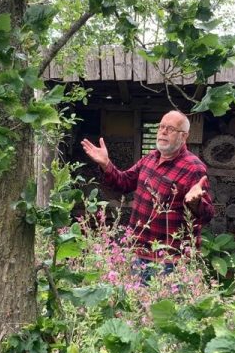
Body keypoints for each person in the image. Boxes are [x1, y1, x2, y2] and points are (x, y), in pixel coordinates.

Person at [80, 110, 214, 275]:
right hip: (138, 252)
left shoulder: (193, 168)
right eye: (161, 127)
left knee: (166, 302)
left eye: (170, 129)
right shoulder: (150, 158)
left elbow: (207, 215)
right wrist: (106, 164)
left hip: (170, 261)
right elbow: (124, 182)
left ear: (184, 136)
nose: (163, 132)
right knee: (135, 301)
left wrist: (196, 203)